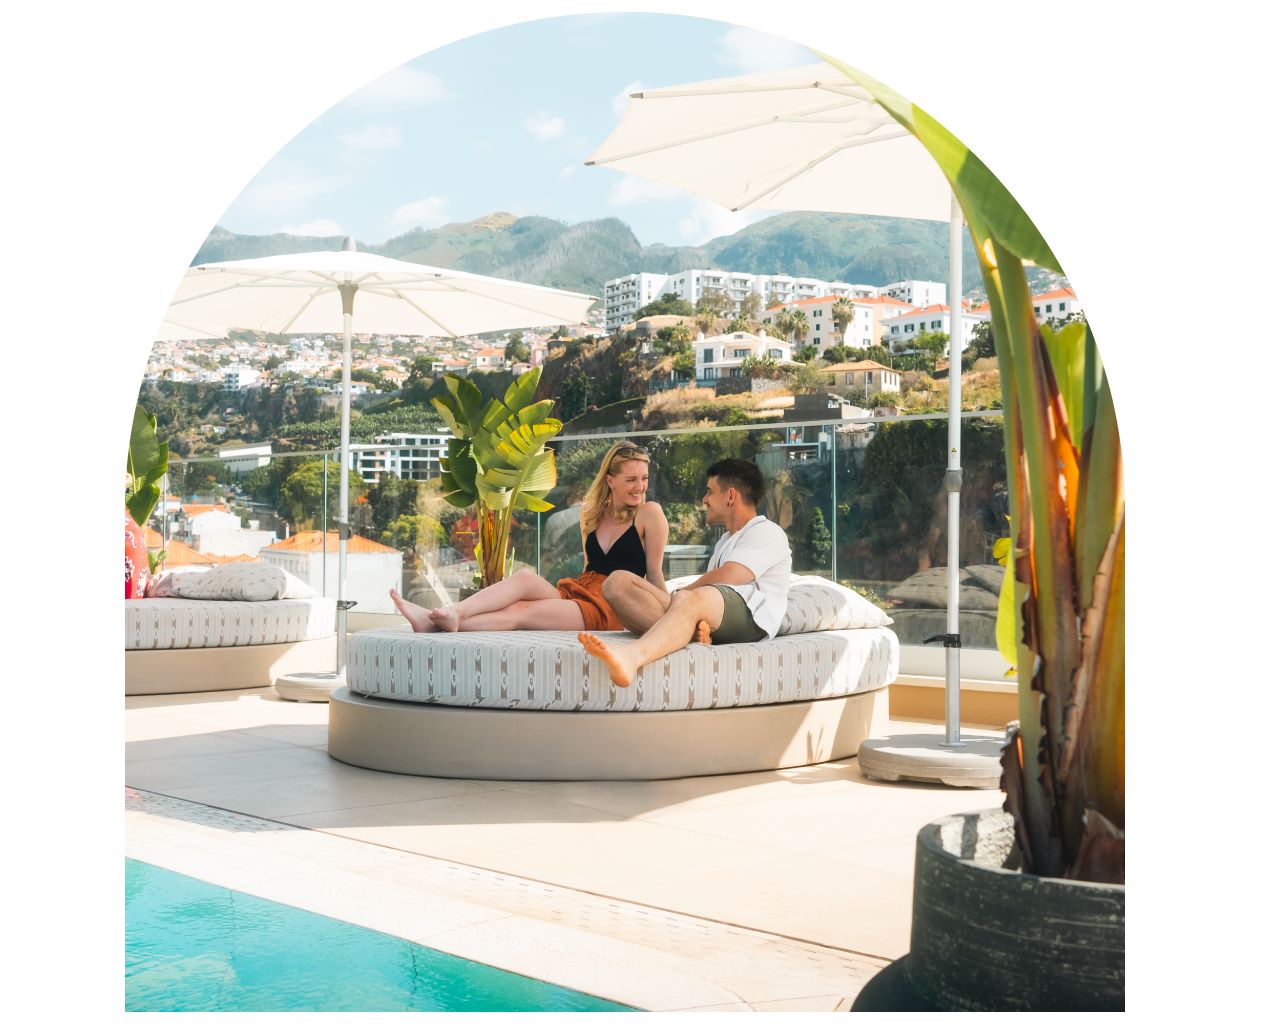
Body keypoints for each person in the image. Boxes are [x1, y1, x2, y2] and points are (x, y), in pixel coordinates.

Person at [389, 442, 668, 632]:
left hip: (611, 606)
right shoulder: (590, 513)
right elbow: (588, 569)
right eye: (632, 479)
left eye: (643, 478)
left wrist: (668, 616)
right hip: (581, 591)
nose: (640, 487)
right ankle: (454, 613)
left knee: (521, 611)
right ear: (610, 480)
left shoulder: (649, 514)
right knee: (524, 579)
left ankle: (436, 621)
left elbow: (654, 575)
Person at [582, 457, 792, 688]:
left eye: (710, 492)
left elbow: (730, 577)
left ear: (731, 496)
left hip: (752, 616)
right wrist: (678, 601)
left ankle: (631, 657)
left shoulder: (766, 531)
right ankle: (692, 635)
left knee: (686, 599)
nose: (704, 500)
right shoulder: (726, 541)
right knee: (616, 583)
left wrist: (679, 596)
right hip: (717, 614)